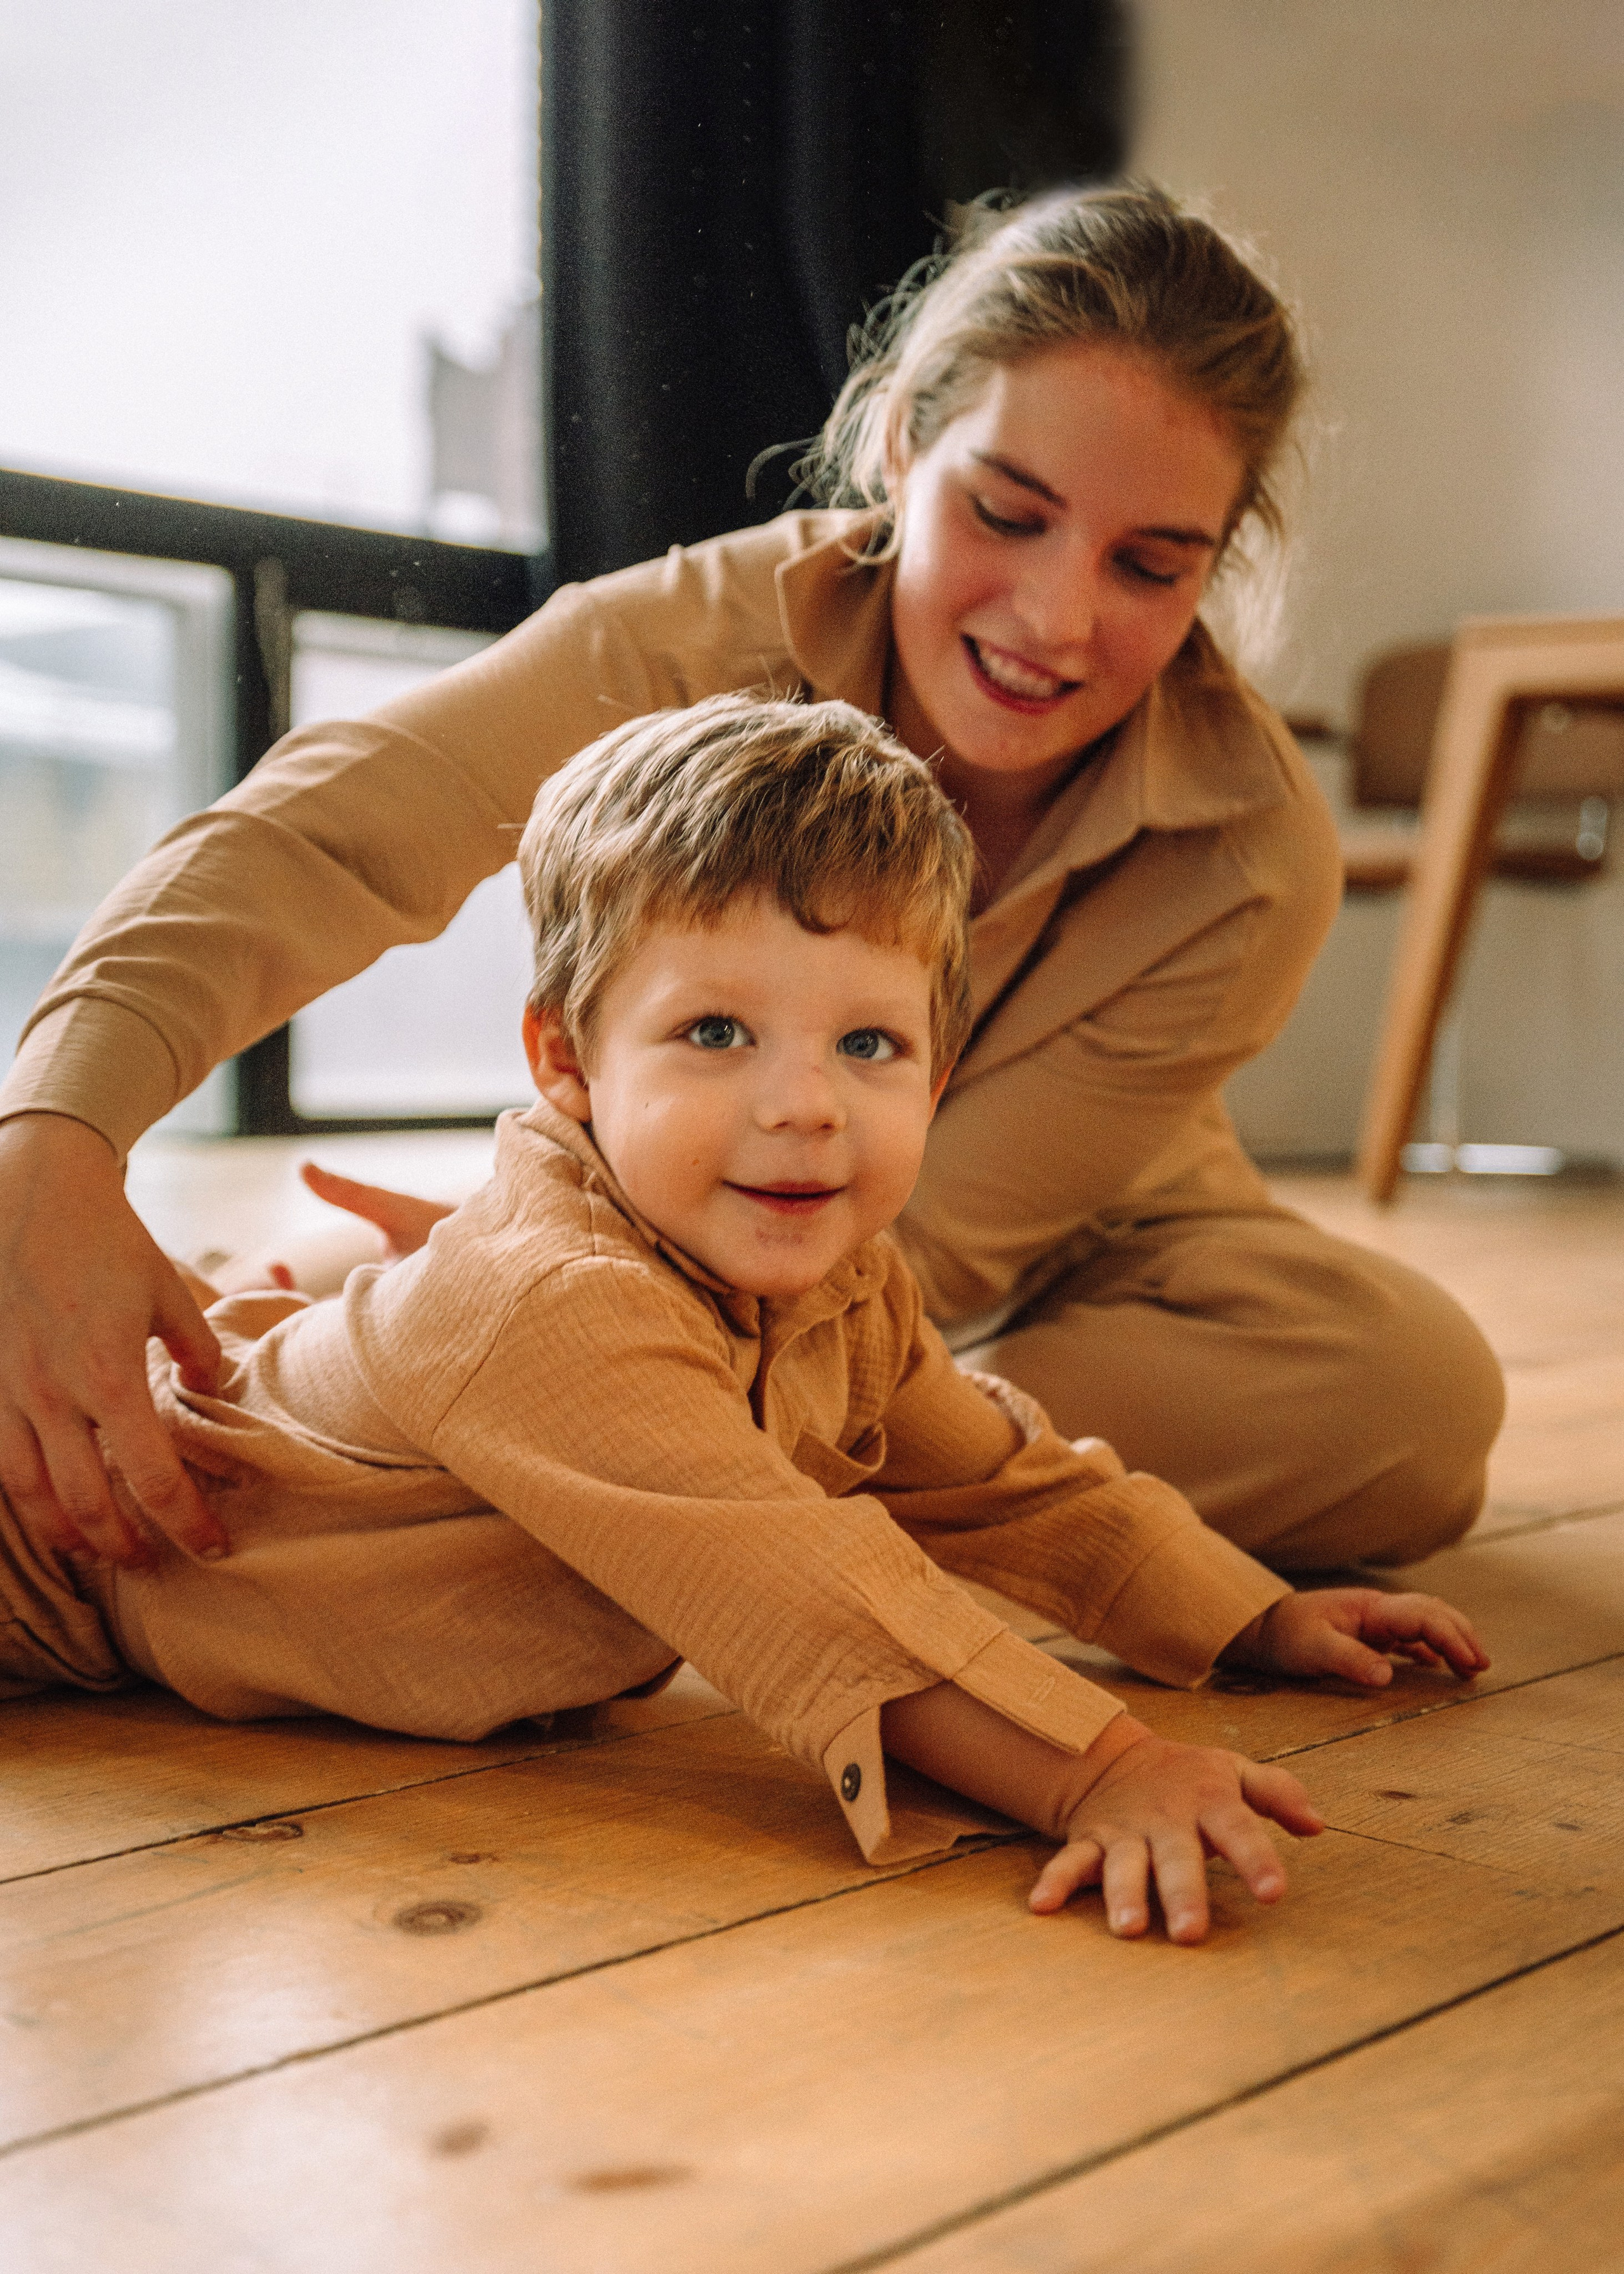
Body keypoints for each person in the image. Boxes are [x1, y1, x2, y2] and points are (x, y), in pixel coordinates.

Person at [0, 181, 1504, 1581]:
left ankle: (550, 1457)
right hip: (672, 1207)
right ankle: (611, 1461)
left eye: (1148, 565)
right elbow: (325, 832)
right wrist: (54, 1137)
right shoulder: (692, 632)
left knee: (1409, 1403)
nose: (1055, 616)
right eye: (1005, 511)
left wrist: (542, 1343)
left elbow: (923, 1241)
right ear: (906, 442)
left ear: (1212, 568)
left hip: (1012, 1266)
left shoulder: (1250, 852)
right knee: (468, 1331)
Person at [0, 697, 1489, 1942]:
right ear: (564, 1056)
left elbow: (996, 1477)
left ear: (937, 1066)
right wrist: (1096, 1768)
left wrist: (1246, 1609)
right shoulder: (550, 1304)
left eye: (867, 1043)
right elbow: (807, 1590)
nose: (801, 1106)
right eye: (714, 1033)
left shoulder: (840, 1277)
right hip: (46, 1562)